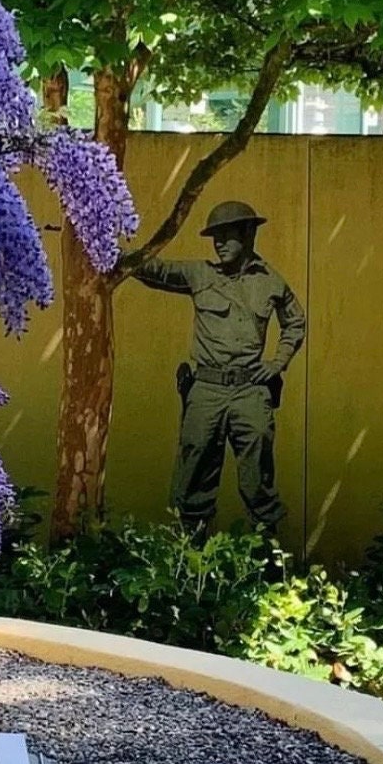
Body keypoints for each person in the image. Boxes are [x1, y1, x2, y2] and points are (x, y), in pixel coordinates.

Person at [132, 201, 306, 533]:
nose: (219, 243)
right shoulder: (201, 274)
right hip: (207, 390)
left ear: (248, 234)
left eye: (227, 236)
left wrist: (277, 363)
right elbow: (155, 271)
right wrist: (108, 248)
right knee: (193, 478)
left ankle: (268, 567)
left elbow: (295, 322)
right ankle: (188, 566)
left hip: (250, 391)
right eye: (215, 238)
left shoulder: (270, 281)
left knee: (258, 481)